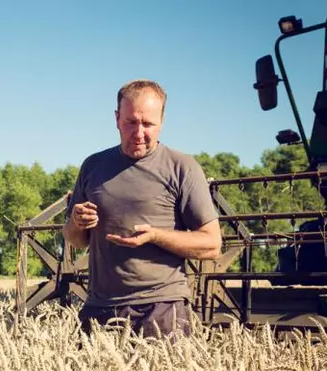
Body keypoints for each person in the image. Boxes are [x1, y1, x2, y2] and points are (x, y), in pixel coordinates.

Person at [63, 79, 221, 339]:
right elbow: (75, 240)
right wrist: (77, 223)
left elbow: (212, 244)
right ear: (116, 118)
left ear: (162, 121)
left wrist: (156, 235)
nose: (139, 133)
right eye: (130, 122)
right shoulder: (93, 166)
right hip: (101, 308)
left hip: (162, 309)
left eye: (148, 124)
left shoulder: (182, 167)